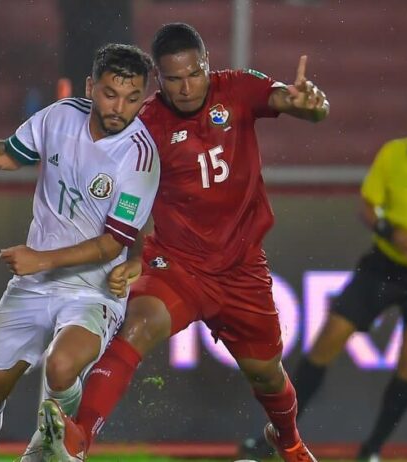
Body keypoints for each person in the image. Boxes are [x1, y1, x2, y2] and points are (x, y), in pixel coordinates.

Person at [39, 23, 329, 462]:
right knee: (138, 327)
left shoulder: (238, 88)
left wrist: (311, 106)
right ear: (158, 78)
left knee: (268, 376)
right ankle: (78, 439)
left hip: (241, 269)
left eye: (195, 73)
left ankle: (287, 440)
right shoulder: (146, 127)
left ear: (207, 64)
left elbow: (290, 101)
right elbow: (125, 197)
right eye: (174, 79)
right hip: (178, 265)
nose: (187, 87)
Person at [0, 43, 159, 462]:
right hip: (35, 284)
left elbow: (112, 243)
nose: (120, 108)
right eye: (111, 94)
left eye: (132, 99)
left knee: (61, 367)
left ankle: (51, 444)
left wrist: (42, 259)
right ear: (91, 87)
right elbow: (8, 154)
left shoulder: (140, 155)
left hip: (93, 289)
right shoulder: (59, 116)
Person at [252, 91, 407, 462]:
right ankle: (277, 437)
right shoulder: (394, 154)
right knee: (327, 340)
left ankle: (372, 449)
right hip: (385, 266)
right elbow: (368, 208)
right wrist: (391, 231)